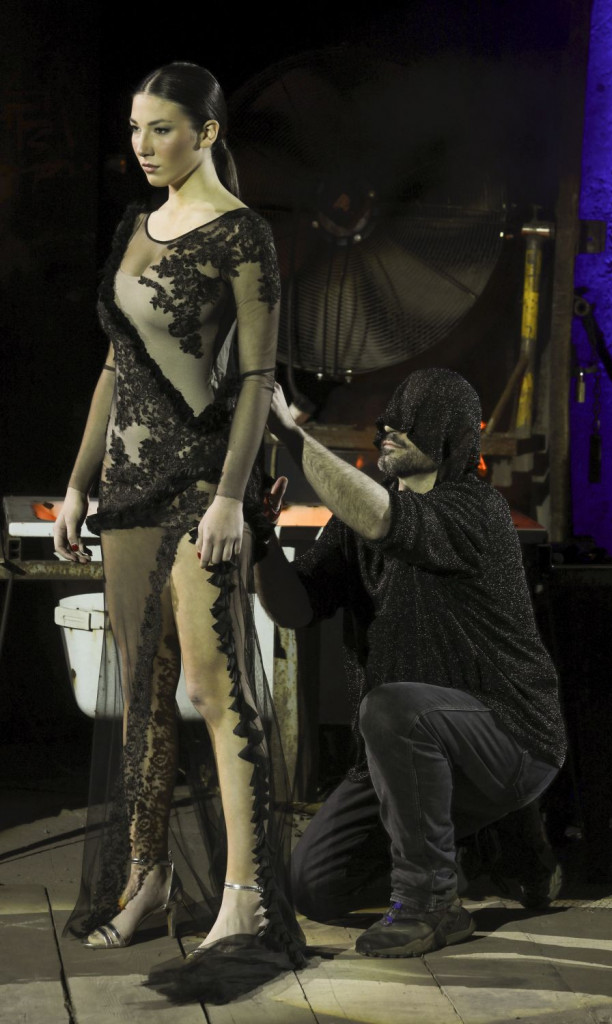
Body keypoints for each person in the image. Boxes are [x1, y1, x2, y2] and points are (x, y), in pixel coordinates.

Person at [53, 62, 304, 972]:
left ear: (207, 131)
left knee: (212, 687)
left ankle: (244, 894)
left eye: (161, 128)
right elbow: (115, 368)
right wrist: (77, 484)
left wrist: (233, 495)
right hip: (124, 492)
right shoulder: (136, 224)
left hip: (201, 482)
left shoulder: (243, 235)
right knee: (143, 697)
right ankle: (147, 878)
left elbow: (257, 378)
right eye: (134, 129)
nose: (143, 145)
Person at [256, 368, 567, 957]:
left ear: (449, 435)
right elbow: (296, 608)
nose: (389, 428)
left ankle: (432, 903)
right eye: (388, 419)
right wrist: (261, 540)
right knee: (313, 886)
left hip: (509, 734)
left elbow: (383, 519)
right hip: (403, 746)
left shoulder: (476, 509)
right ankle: (467, 845)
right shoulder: (358, 524)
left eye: (411, 420)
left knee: (394, 708)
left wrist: (291, 434)